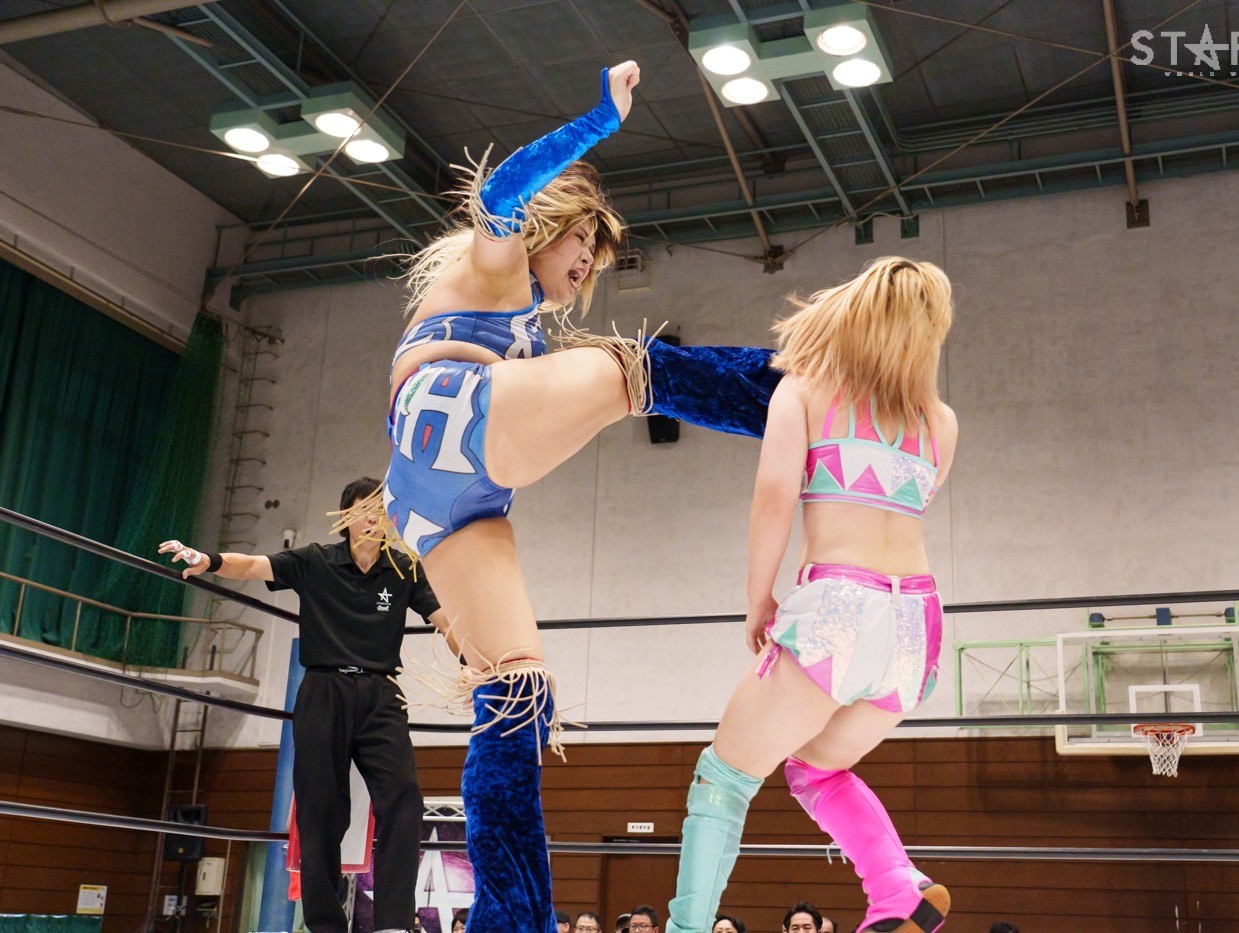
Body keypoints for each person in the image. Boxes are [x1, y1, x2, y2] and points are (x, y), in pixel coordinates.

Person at [343, 58, 782, 933]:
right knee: (628, 369)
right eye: (582, 241)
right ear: (548, 221)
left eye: (595, 253)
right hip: (454, 423)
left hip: (440, 496)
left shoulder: (518, 313)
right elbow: (499, 188)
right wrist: (597, 122)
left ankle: (510, 917)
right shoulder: (496, 263)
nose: (587, 263)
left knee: (517, 691)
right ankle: (792, 395)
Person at [665, 258, 959, 933]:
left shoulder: (804, 390)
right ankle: (896, 887)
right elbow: (898, 511)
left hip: (840, 610)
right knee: (816, 768)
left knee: (723, 778)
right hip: (916, 626)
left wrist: (759, 599)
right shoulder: (941, 422)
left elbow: (775, 499)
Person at [159, 476, 447, 933]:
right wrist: (206, 559)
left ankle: (393, 923)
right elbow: (254, 566)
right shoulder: (316, 560)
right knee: (320, 811)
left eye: (380, 508)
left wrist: (485, 662)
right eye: (364, 508)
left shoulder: (404, 569)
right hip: (322, 691)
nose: (373, 517)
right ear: (345, 517)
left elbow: (445, 618)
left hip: (380, 695)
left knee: (405, 799)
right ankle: (326, 925)